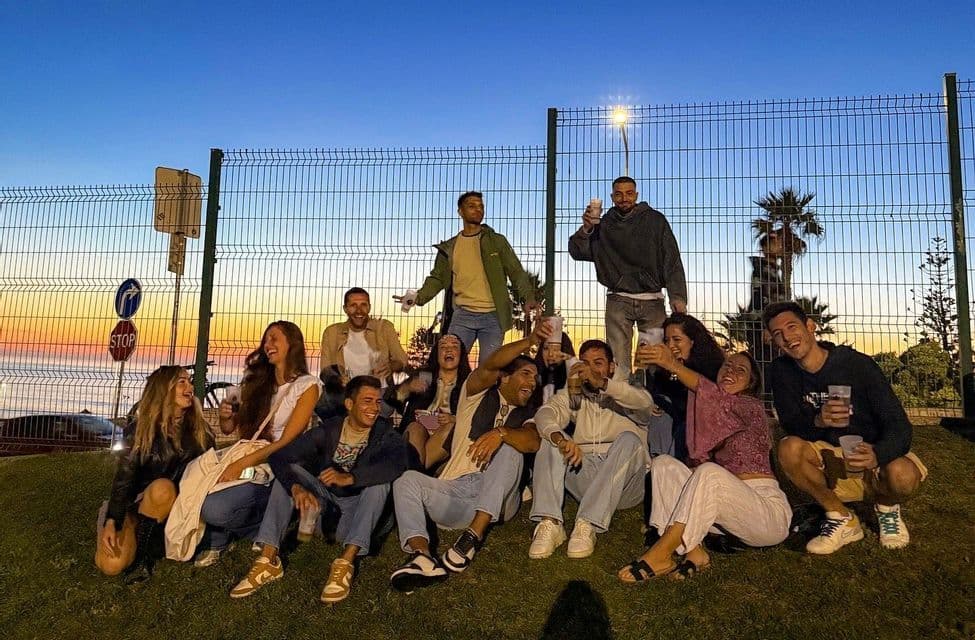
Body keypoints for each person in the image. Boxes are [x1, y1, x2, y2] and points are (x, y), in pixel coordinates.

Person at [388, 320, 548, 592]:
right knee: (406, 481)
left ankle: (472, 538)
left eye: (535, 378)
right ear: (505, 377)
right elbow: (491, 364)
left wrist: (501, 433)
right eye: (525, 374)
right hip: (456, 492)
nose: (532, 382)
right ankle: (421, 556)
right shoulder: (474, 394)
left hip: (498, 500)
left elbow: (532, 442)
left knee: (512, 451)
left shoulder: (528, 414)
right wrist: (530, 339)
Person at [763, 301, 927, 553]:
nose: (787, 337)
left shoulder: (855, 365)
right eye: (778, 333)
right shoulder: (782, 372)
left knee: (903, 476)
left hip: (868, 452)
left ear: (810, 326)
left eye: (792, 326)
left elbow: (899, 425)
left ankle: (887, 508)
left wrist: (877, 454)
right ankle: (841, 517)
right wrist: (818, 420)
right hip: (828, 456)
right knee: (788, 448)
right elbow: (791, 425)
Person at [230, 376, 408, 603]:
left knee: (379, 485)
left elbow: (397, 464)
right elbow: (280, 456)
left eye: (377, 401)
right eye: (367, 401)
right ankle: (268, 560)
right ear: (350, 405)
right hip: (326, 506)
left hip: (356, 516)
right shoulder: (330, 430)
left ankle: (346, 562)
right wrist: (296, 488)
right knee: (288, 474)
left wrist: (351, 478)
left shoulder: (385, 434)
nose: (374, 408)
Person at [618, 349, 790, 582]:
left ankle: (663, 551)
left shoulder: (751, 407)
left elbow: (709, 393)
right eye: (727, 366)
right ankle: (694, 552)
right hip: (725, 512)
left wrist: (671, 363)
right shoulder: (713, 412)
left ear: (751, 383)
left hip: (766, 513)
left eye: (741, 370)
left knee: (710, 473)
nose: (731, 371)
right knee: (664, 464)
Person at [195, 321, 322, 567]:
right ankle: (221, 540)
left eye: (275, 339)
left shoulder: (307, 386)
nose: (268, 345)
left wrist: (242, 463)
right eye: (266, 340)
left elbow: (287, 440)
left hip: (276, 464)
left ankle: (252, 528)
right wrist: (225, 417)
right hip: (249, 455)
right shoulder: (255, 382)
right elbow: (232, 431)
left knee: (213, 507)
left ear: (292, 344)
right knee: (200, 491)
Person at [529, 339, 653, 559]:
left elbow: (644, 404)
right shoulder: (576, 391)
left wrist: (603, 383)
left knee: (629, 440)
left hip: (625, 483)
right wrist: (560, 439)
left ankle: (587, 523)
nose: (591, 369)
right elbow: (545, 413)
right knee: (552, 440)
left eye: (598, 363)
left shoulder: (626, 389)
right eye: (586, 363)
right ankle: (550, 522)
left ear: (611, 367)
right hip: (586, 472)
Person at [95, 366, 213, 583]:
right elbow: (124, 479)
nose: (189, 387)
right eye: (181, 382)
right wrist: (113, 520)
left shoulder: (199, 430)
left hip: (175, 505)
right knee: (110, 566)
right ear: (163, 390)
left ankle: (145, 556)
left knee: (163, 488)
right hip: (138, 505)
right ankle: (137, 532)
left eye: (189, 382)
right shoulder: (140, 430)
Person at [568, 176, 687, 376]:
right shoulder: (603, 224)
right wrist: (586, 229)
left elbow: (671, 259)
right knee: (617, 364)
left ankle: (650, 404)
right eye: (619, 194)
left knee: (653, 363)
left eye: (629, 193)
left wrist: (678, 297)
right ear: (612, 197)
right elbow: (578, 252)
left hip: (652, 299)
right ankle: (618, 406)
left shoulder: (655, 220)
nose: (624, 198)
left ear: (637, 195)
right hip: (618, 298)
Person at [404, 191, 539, 362]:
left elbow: (516, 271)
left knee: (488, 369)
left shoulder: (496, 241)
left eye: (481, 206)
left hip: (493, 316)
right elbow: (437, 278)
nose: (478, 210)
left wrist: (528, 297)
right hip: (462, 316)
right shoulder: (450, 248)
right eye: (472, 206)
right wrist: (418, 297)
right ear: (460, 211)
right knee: (451, 364)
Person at [636, 313, 724, 460]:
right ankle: (660, 463)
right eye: (666, 340)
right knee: (661, 416)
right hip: (667, 427)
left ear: (693, 341)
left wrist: (675, 367)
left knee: (684, 427)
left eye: (677, 339)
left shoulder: (711, 368)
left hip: (698, 427)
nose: (670, 345)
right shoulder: (661, 370)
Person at [385, 333, 472, 471]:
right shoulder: (423, 375)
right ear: (436, 354)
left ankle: (412, 472)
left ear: (461, 354)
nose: (448, 350)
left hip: (446, 437)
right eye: (443, 347)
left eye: (454, 346)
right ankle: (417, 473)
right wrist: (407, 388)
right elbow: (391, 398)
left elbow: (475, 416)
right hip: (419, 430)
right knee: (415, 428)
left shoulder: (469, 384)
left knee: (450, 428)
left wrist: (455, 419)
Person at [320, 287, 408, 385]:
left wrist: (391, 366)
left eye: (363, 305)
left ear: (369, 307)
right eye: (353, 305)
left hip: (378, 393)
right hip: (345, 393)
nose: (359, 311)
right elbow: (325, 370)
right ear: (345, 309)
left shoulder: (384, 328)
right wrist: (338, 380)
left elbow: (402, 360)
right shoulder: (332, 332)